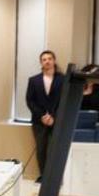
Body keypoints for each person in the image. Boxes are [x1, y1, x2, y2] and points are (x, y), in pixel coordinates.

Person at [25, 50, 63, 181]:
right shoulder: (33, 80)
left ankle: (54, 178)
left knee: (55, 150)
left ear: (54, 61)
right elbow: (30, 100)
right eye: (44, 59)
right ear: (41, 62)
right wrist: (42, 115)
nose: (47, 61)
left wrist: (54, 118)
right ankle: (44, 176)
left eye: (50, 58)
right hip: (38, 121)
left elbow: (64, 101)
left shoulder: (63, 79)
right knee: (41, 150)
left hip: (57, 121)